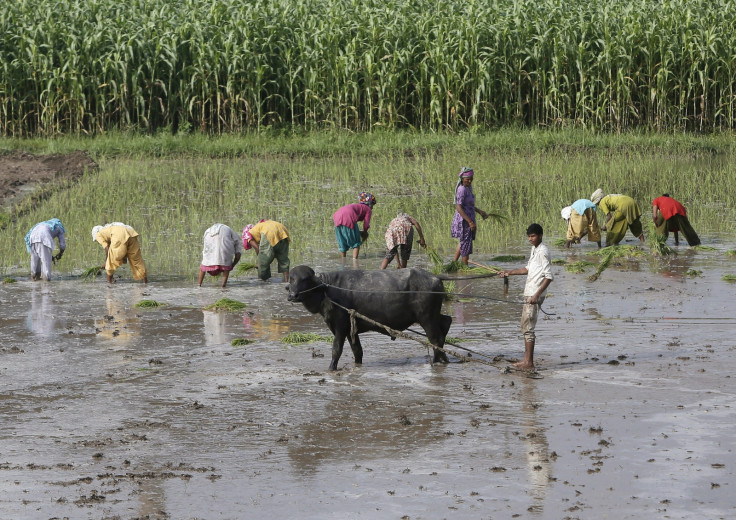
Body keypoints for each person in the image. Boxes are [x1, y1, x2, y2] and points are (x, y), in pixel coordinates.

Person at [497, 224, 553, 371]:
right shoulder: (534, 249)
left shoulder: (543, 252)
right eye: (529, 236)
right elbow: (527, 269)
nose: (530, 239)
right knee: (525, 326)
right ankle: (526, 360)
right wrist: (509, 272)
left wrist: (536, 295)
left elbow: (549, 277)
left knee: (528, 327)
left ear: (540, 235)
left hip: (534, 294)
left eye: (533, 236)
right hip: (529, 293)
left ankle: (529, 363)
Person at [451, 167, 489, 265]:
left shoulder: (468, 187)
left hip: (468, 218)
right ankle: (464, 268)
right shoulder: (462, 189)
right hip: (464, 221)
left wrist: (480, 211)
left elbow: (468, 205)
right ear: (462, 179)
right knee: (466, 245)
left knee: (463, 241)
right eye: (467, 179)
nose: (469, 181)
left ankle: (454, 263)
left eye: (471, 179)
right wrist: (470, 222)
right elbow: (459, 207)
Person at [332, 192, 376, 262]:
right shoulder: (368, 209)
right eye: (373, 205)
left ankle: (343, 261)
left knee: (342, 242)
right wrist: (365, 232)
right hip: (348, 217)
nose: (372, 207)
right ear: (370, 203)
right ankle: (355, 262)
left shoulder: (356, 206)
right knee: (356, 244)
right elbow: (366, 224)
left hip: (337, 217)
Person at [198, 223, 242, 287]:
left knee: (205, 262)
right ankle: (223, 286)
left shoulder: (207, 231)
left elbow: (205, 249)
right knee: (226, 264)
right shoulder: (237, 239)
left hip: (209, 236)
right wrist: (233, 265)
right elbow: (238, 255)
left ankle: (199, 285)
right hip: (223, 239)